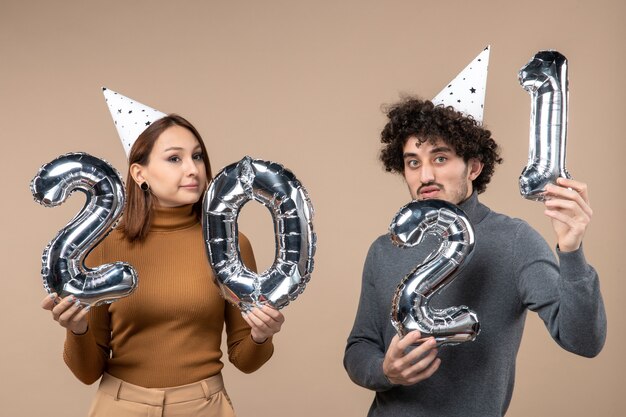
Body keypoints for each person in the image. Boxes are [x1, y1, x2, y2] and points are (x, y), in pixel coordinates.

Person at [343, 98, 606, 417]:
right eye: (413, 162)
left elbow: (584, 340)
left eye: (440, 158)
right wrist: (385, 370)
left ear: (474, 167)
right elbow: (359, 347)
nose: (425, 175)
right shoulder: (384, 249)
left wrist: (572, 251)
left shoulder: (514, 241)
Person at [41, 113, 284, 417]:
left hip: (204, 406)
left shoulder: (231, 244)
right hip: (120, 406)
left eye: (197, 156)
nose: (193, 169)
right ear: (139, 173)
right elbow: (88, 372)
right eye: (174, 159)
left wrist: (262, 335)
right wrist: (77, 330)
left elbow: (245, 360)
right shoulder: (103, 246)